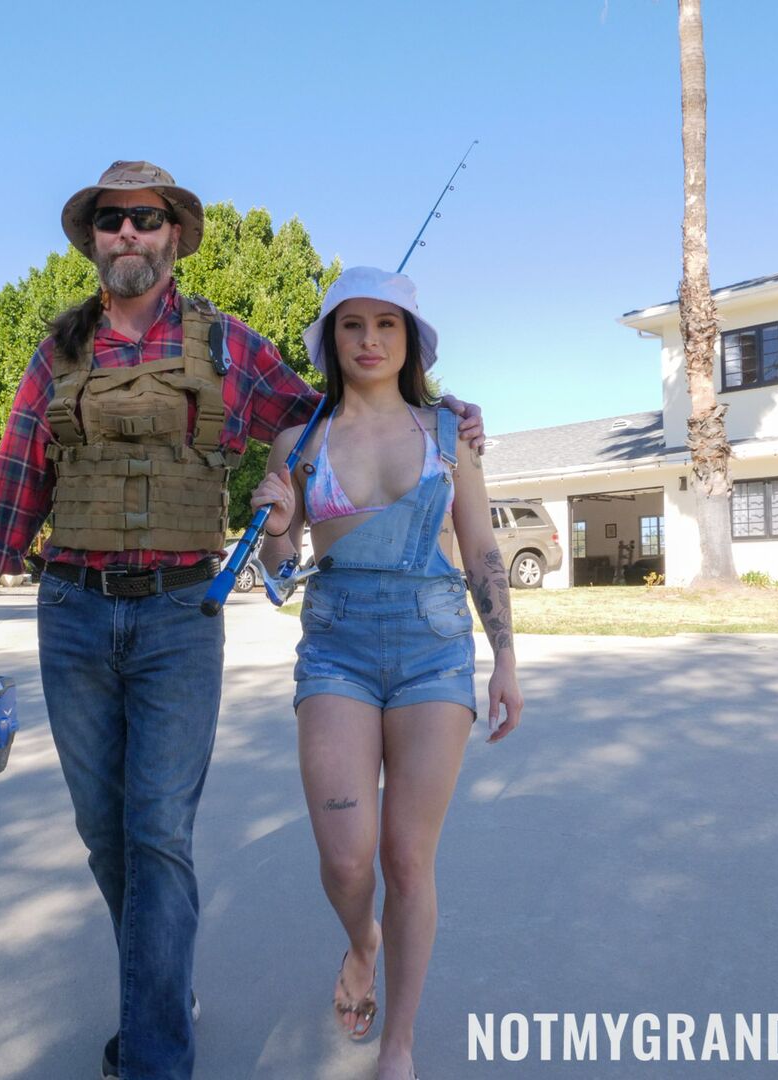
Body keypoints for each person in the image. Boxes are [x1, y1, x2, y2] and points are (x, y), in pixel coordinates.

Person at [0, 164, 484, 1080]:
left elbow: (340, 415)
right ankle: (162, 984)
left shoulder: (230, 348)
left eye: (146, 218)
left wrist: (442, 416)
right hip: (72, 615)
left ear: (174, 237)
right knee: (105, 834)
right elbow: (15, 484)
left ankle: (156, 1055)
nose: (129, 233)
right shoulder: (55, 355)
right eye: (112, 219)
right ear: (93, 239)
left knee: (156, 831)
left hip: (180, 617)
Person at [250, 266, 523, 1080]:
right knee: (346, 860)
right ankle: (362, 941)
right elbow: (278, 578)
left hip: (433, 647)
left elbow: (481, 549)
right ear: (331, 340)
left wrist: (506, 658)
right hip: (335, 647)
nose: (369, 340)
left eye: (386, 324)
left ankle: (399, 1042)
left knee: (407, 859)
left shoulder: (448, 433)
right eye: (352, 325)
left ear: (411, 341)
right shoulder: (299, 444)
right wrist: (277, 526)